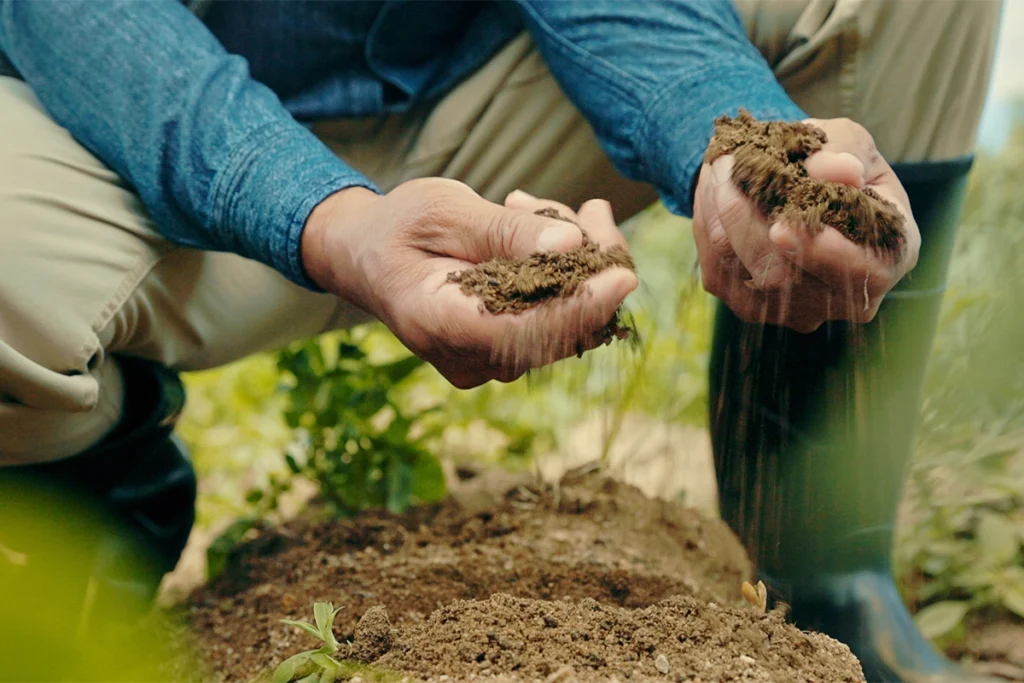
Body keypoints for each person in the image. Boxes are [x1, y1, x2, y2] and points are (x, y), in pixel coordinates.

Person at [0, 1, 1001, 681]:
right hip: (131, 136)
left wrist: (735, 146)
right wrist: (328, 215)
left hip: (488, 92)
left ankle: (827, 575)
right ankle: (94, 475)